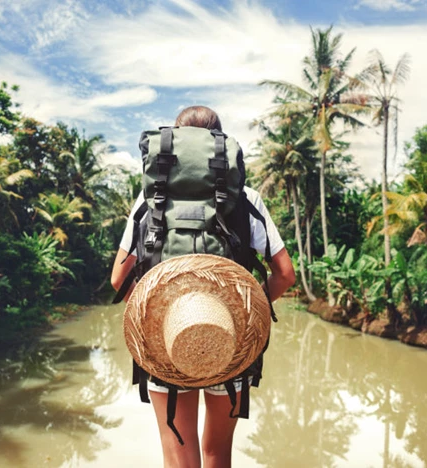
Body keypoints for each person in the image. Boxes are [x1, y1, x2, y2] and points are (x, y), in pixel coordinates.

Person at [111, 106, 295, 468]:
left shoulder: (150, 199)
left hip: (164, 341)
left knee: (178, 455)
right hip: (230, 341)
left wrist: (152, 319)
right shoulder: (246, 198)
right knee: (217, 453)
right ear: (219, 147)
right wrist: (247, 313)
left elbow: (118, 278)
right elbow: (285, 274)